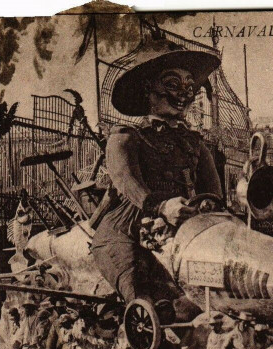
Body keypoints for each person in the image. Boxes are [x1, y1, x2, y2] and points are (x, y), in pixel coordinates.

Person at [91, 37, 223, 306]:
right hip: (126, 229)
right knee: (142, 293)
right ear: (147, 89)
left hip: (183, 229)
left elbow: (214, 196)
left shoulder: (195, 143)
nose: (183, 94)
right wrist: (161, 207)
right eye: (172, 84)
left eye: (189, 87)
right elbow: (127, 183)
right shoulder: (125, 138)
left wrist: (210, 208)